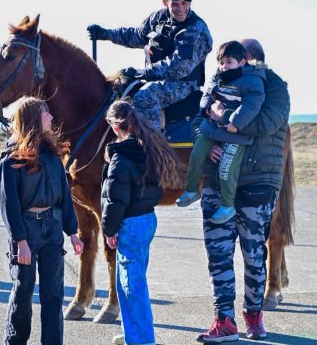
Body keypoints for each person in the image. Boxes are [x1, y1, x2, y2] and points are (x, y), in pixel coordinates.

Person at [192, 39, 290, 343]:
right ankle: (224, 320)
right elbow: (198, 120)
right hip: (217, 183)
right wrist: (209, 146)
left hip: (257, 182)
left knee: (253, 254)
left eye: (243, 59)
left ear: (253, 60)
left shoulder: (275, 88)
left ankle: (253, 315)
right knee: (218, 255)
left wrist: (222, 120)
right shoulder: (219, 80)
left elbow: (265, 123)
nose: (235, 64)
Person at [0, 97, 84, 345]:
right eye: (46, 114)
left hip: (53, 228)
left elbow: (63, 197)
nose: (51, 118)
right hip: (27, 230)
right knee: (23, 293)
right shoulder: (11, 159)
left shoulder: (53, 155)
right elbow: (9, 205)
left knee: (54, 295)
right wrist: (20, 241)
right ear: (34, 118)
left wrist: (73, 231)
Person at [100, 101, 182, 345]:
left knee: (132, 287)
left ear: (115, 127)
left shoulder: (120, 158)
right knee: (129, 283)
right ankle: (133, 334)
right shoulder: (147, 148)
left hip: (130, 224)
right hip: (147, 219)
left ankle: (142, 340)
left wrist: (109, 229)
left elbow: (115, 199)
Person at [87, 0, 212, 129]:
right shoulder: (159, 18)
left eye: (185, 3)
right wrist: (106, 34)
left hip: (183, 84)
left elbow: (179, 67)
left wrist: (142, 73)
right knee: (118, 87)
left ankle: (151, 144)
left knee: (146, 96)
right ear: (165, 2)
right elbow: (137, 36)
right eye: (175, 4)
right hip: (155, 78)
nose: (180, 8)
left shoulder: (196, 29)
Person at [176, 41, 266, 224]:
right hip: (211, 128)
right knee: (197, 155)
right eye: (221, 62)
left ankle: (227, 206)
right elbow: (207, 95)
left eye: (229, 62)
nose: (224, 66)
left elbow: (252, 103)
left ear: (242, 62)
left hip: (235, 134)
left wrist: (235, 122)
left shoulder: (252, 80)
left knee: (226, 168)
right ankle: (192, 190)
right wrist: (206, 110)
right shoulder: (218, 77)